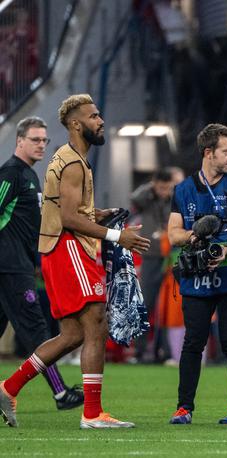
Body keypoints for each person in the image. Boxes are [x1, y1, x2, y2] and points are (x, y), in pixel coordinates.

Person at [0, 94, 150, 429]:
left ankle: (8, 388)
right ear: (75, 123)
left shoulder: (71, 160)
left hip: (58, 248)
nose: (100, 121)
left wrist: (98, 214)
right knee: (95, 321)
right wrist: (116, 237)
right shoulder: (71, 163)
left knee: (71, 334)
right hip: (68, 248)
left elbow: (63, 210)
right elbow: (67, 217)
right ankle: (93, 413)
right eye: (94, 116)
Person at [167, 123, 227, 425]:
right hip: (195, 275)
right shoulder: (183, 189)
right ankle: (184, 408)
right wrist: (196, 234)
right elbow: (173, 233)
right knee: (193, 342)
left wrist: (226, 249)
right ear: (209, 153)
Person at [0, 116, 83, 413]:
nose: (40, 145)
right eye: (35, 139)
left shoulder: (31, 176)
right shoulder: (11, 173)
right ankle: (61, 394)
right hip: (10, 268)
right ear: (19, 140)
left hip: (17, 265)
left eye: (44, 140)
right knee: (37, 329)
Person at [130, 168, 177, 363]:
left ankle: (166, 352)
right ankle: (139, 352)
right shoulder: (147, 198)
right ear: (154, 184)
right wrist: (150, 187)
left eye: (167, 188)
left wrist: (172, 191)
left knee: (168, 307)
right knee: (146, 303)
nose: (164, 191)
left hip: (170, 258)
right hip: (150, 257)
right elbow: (133, 198)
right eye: (161, 187)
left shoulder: (175, 199)